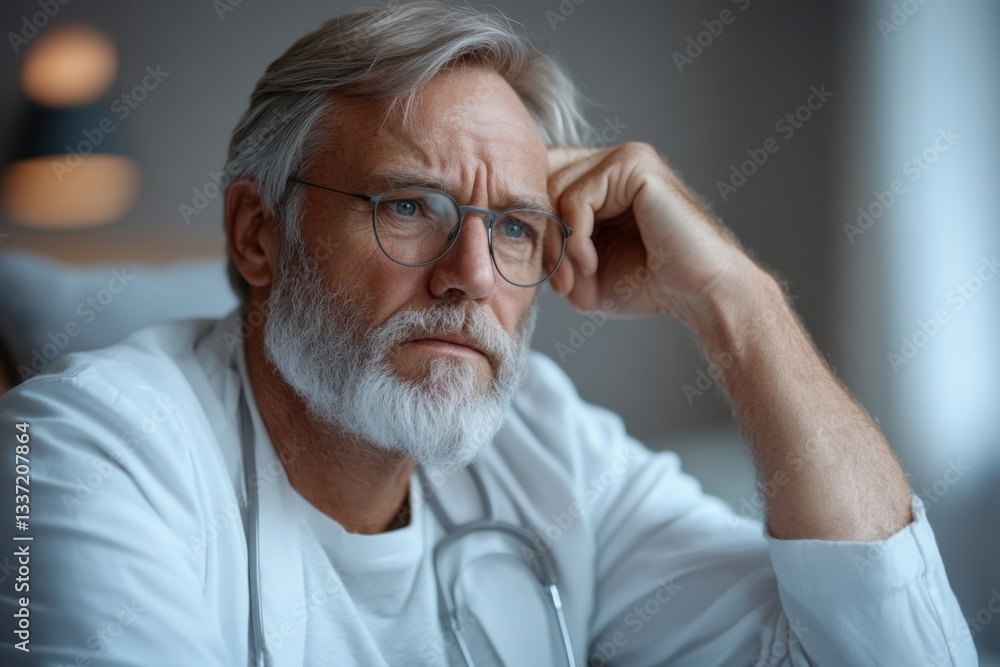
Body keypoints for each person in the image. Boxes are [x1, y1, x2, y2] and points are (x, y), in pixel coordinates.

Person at [0, 2, 976, 666]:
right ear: (259, 236)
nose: (470, 275)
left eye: (513, 225)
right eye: (410, 207)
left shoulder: (545, 441)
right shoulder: (78, 451)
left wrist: (738, 302)